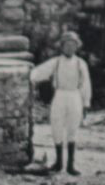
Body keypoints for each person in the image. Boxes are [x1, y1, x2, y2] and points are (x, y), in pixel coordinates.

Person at [29, 31, 93, 175]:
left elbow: (86, 84)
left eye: (73, 45)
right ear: (62, 47)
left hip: (74, 95)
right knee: (56, 125)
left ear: (77, 47)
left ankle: (71, 165)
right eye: (66, 45)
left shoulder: (80, 63)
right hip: (60, 94)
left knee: (73, 129)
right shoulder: (56, 62)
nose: (69, 48)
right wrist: (29, 75)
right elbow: (39, 72)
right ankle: (58, 163)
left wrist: (86, 103)